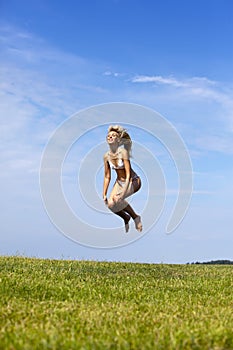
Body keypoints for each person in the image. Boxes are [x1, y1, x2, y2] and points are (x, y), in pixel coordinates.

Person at [103, 125, 142, 233]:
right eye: (108, 136)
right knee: (110, 204)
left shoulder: (123, 153)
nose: (110, 137)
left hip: (133, 180)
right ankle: (126, 217)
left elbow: (128, 174)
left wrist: (122, 193)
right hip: (119, 182)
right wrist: (104, 194)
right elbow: (107, 176)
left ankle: (135, 217)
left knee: (117, 199)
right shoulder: (106, 156)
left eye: (113, 135)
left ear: (119, 140)